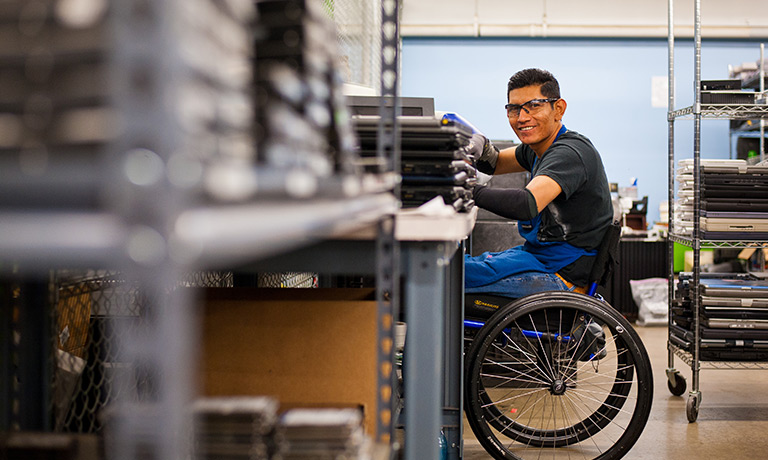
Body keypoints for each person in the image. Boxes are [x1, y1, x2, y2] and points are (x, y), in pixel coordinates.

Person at [465, 68, 613, 298]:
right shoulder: (537, 150)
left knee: (455, 275)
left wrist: (465, 190)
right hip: (540, 258)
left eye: (534, 105)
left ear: (559, 109)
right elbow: (493, 163)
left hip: (561, 274)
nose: (522, 117)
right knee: (462, 266)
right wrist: (481, 145)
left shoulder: (569, 152)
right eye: (514, 109)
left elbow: (526, 204)